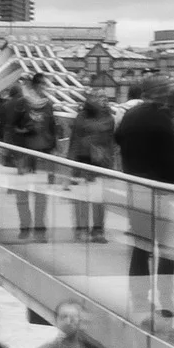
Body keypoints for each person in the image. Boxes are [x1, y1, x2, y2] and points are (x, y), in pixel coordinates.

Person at [114, 77, 174, 322]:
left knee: (141, 244)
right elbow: (172, 160)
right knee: (168, 248)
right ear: (160, 94)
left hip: (135, 188)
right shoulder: (161, 121)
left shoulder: (130, 116)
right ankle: (166, 301)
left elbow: (118, 139)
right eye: (165, 91)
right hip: (161, 192)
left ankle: (139, 300)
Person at [2, 74, 59, 240]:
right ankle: (25, 227)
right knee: (23, 191)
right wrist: (23, 133)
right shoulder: (22, 103)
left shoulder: (48, 105)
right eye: (43, 85)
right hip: (25, 152)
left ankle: (40, 230)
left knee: (41, 193)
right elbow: (11, 126)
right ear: (36, 85)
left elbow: (52, 128)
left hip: (44, 153)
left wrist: (54, 151)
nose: (46, 88)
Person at [66, 88, 117, 242]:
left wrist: (109, 163)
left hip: (101, 162)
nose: (104, 100)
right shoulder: (81, 116)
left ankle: (98, 230)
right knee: (82, 196)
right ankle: (81, 229)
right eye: (99, 97)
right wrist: (71, 163)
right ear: (91, 99)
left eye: (105, 97)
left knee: (99, 198)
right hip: (82, 160)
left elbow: (110, 142)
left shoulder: (109, 117)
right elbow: (75, 139)